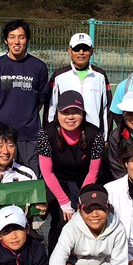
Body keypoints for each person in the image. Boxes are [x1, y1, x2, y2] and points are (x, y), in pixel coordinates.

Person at [37, 90, 105, 254]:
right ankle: (55, 260)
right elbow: (47, 173)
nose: (70, 117)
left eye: (75, 112)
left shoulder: (95, 135)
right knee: (61, 222)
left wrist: (82, 201)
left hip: (85, 183)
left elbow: (93, 172)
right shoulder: (46, 134)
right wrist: (64, 202)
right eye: (65, 112)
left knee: (87, 221)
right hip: (57, 183)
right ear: (57, 114)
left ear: (83, 113)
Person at [0, 19, 49, 175]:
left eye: (21, 37)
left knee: (30, 178)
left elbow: (39, 102)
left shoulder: (39, 67)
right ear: (6, 40)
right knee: (5, 178)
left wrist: (26, 118)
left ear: (27, 40)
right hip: (4, 136)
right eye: (12, 37)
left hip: (30, 136)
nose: (17, 42)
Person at [44, 33, 113, 139]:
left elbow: (106, 108)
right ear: (70, 51)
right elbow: (51, 109)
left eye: (85, 49)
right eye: (77, 49)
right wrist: (50, 135)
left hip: (93, 136)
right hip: (64, 136)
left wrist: (106, 137)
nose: (81, 52)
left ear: (92, 51)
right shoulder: (59, 76)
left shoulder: (100, 76)